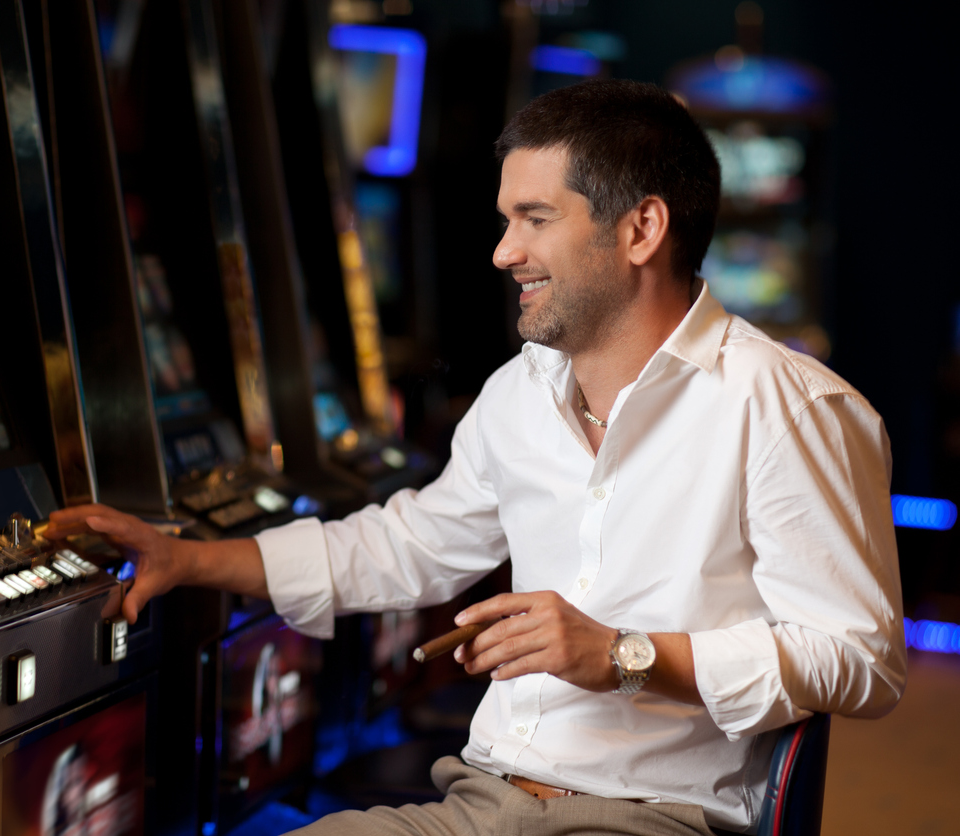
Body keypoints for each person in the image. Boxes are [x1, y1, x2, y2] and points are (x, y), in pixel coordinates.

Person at [45, 79, 906, 835]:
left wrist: (626, 654)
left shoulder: (792, 408)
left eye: (535, 220)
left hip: (652, 821)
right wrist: (189, 557)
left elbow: (860, 660)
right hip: (481, 803)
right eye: (506, 221)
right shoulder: (521, 392)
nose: (503, 253)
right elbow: (409, 545)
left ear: (642, 228)